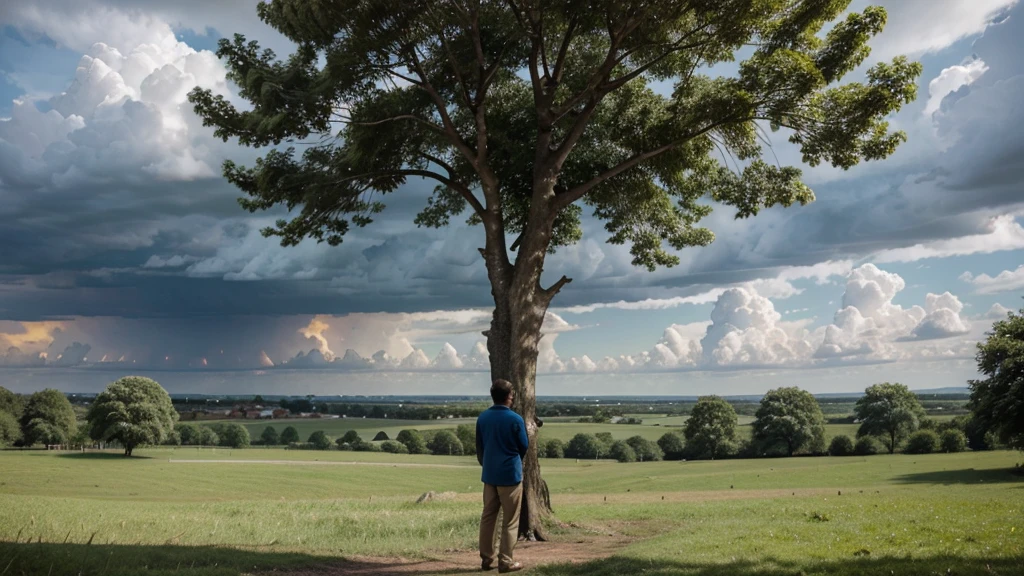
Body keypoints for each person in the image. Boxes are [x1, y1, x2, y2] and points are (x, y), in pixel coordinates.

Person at [476, 378, 529, 573]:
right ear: (509, 396)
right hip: (510, 475)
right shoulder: (515, 419)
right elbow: (524, 445)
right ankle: (506, 561)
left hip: (489, 474)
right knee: (510, 520)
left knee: (488, 517)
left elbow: (479, 447)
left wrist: (488, 464)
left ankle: (486, 559)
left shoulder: (482, 418)